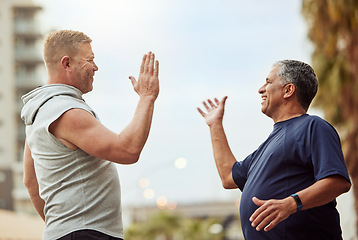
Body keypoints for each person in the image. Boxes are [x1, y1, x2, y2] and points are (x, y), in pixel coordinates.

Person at [21, 30, 159, 240]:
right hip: (87, 233)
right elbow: (128, 150)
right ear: (66, 63)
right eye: (90, 60)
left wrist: (60, 227)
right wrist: (147, 98)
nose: (96, 67)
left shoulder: (39, 112)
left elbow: (30, 181)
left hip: (70, 233)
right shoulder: (66, 112)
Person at [197, 60, 351, 239]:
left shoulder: (313, 126)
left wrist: (292, 203)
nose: (261, 89)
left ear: (288, 90)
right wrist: (215, 125)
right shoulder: (267, 146)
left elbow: (338, 182)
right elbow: (228, 177)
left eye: (268, 82)